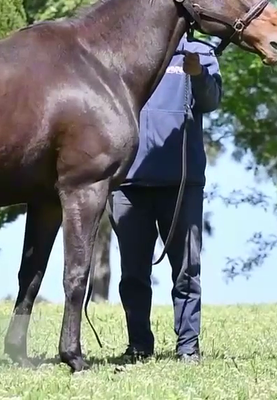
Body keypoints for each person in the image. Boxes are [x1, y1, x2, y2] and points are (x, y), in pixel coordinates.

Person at [112, 33, 222, 364]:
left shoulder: (199, 51)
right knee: (133, 273)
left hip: (181, 183)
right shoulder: (126, 47)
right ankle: (139, 346)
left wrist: (198, 75)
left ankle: (188, 346)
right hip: (128, 183)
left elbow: (211, 101)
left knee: (187, 271)